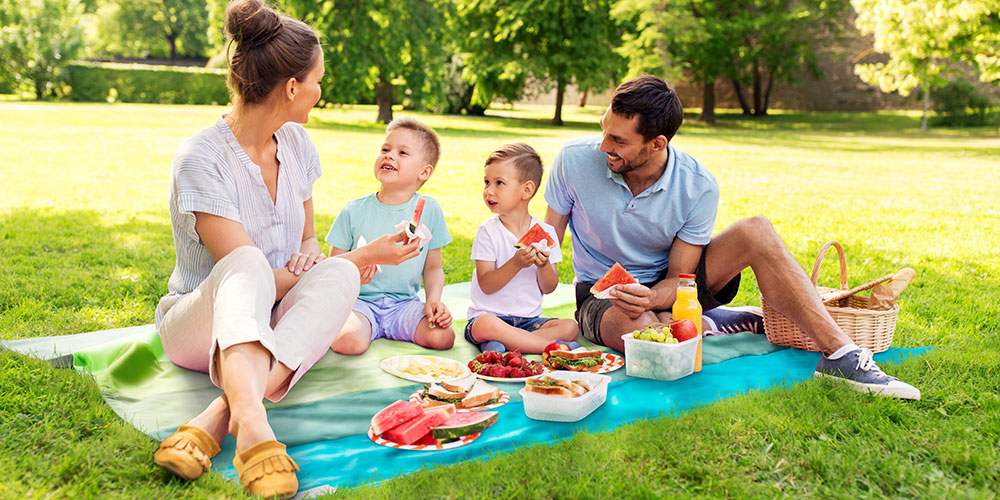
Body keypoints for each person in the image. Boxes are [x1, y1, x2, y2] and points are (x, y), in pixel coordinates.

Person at [151, 1, 420, 498]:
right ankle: (253, 425)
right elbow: (245, 276)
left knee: (338, 278)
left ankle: (219, 414)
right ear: (293, 87)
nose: (321, 90)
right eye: (317, 79)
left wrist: (322, 261)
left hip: (276, 318)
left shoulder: (296, 144)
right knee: (255, 261)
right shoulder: (200, 158)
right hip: (200, 324)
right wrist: (362, 257)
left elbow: (307, 242)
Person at [544, 75, 920, 400]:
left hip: (672, 286)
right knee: (646, 340)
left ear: (657, 143)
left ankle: (841, 355)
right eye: (603, 128)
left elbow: (681, 278)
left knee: (756, 229)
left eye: (618, 140)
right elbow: (546, 243)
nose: (603, 146)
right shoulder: (573, 161)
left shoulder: (697, 185)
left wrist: (654, 297)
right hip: (599, 294)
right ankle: (712, 322)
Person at [324, 118, 455, 355]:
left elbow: (433, 268)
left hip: (404, 305)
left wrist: (433, 300)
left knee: (443, 336)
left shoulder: (430, 210)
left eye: (402, 152)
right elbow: (332, 266)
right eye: (385, 149)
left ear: (424, 172)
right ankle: (354, 326)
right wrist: (357, 267)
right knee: (348, 342)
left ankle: (393, 327)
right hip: (359, 304)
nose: (389, 155)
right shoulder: (353, 210)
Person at [464, 143, 580, 354]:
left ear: (526, 190)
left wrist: (544, 265)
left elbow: (549, 287)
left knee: (570, 327)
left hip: (529, 321)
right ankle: (553, 348)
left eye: (499, 183)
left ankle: (504, 345)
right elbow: (486, 285)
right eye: (486, 182)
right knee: (486, 325)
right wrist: (516, 263)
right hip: (489, 316)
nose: (488, 190)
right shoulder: (487, 232)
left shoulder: (545, 232)